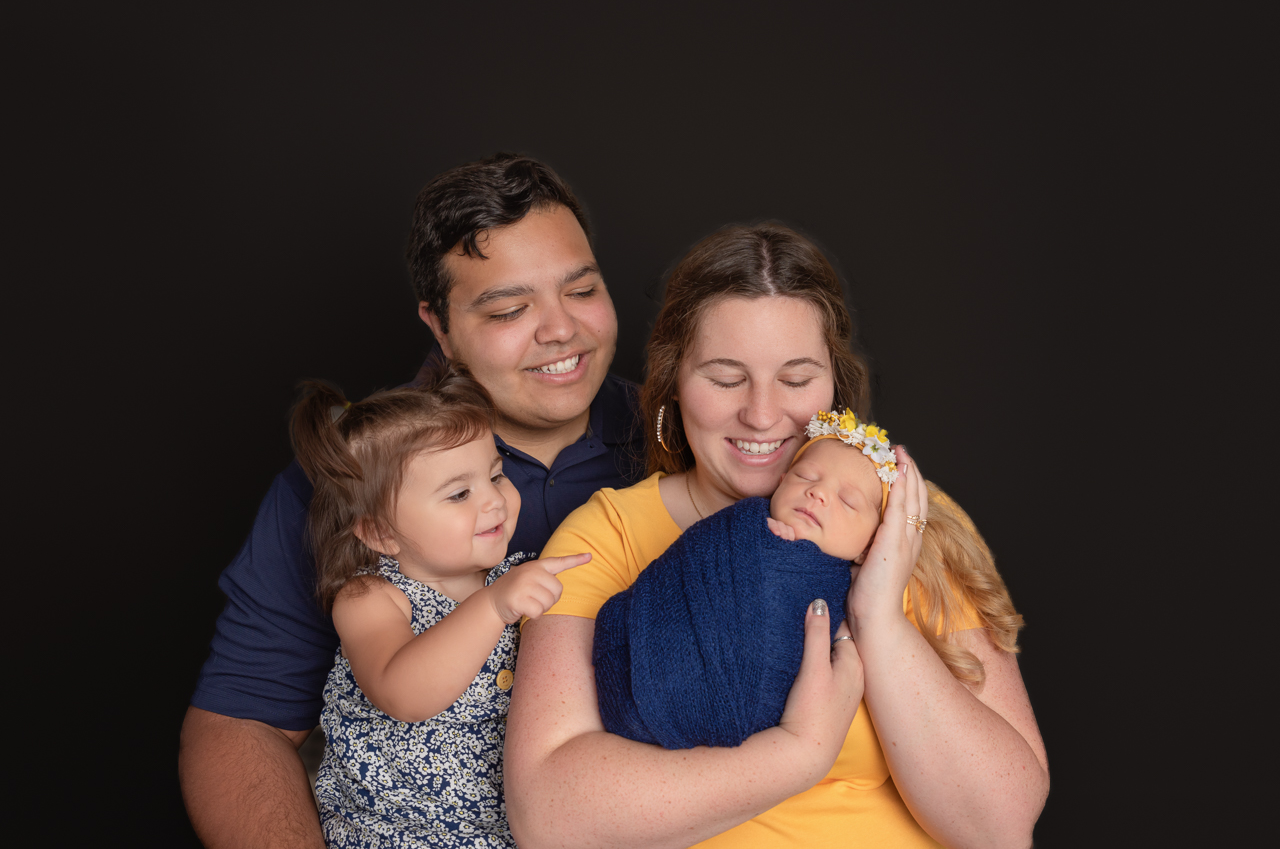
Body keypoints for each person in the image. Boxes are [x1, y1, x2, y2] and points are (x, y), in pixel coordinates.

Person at [504, 223, 1049, 848]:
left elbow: (1001, 828)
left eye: (795, 381)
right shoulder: (610, 535)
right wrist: (797, 756)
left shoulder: (906, 521)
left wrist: (878, 616)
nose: (762, 415)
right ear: (673, 382)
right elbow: (548, 818)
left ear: (835, 390)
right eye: (726, 378)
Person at [180, 153, 646, 848]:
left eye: (581, 291)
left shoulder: (685, 448)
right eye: (511, 309)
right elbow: (240, 722)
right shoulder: (350, 477)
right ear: (439, 325)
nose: (560, 330)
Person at [290, 367, 589, 847]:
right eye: (459, 494)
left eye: (496, 475)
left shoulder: (516, 576)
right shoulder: (371, 598)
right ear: (380, 533)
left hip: (507, 831)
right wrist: (492, 607)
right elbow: (403, 693)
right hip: (395, 833)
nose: (494, 500)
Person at [592, 410, 901, 749]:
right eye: (805, 476)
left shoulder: (866, 595)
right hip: (633, 673)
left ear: (871, 544)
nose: (819, 493)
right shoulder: (744, 524)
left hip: (731, 722)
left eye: (847, 501)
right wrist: (760, 545)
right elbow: (691, 563)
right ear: (781, 483)